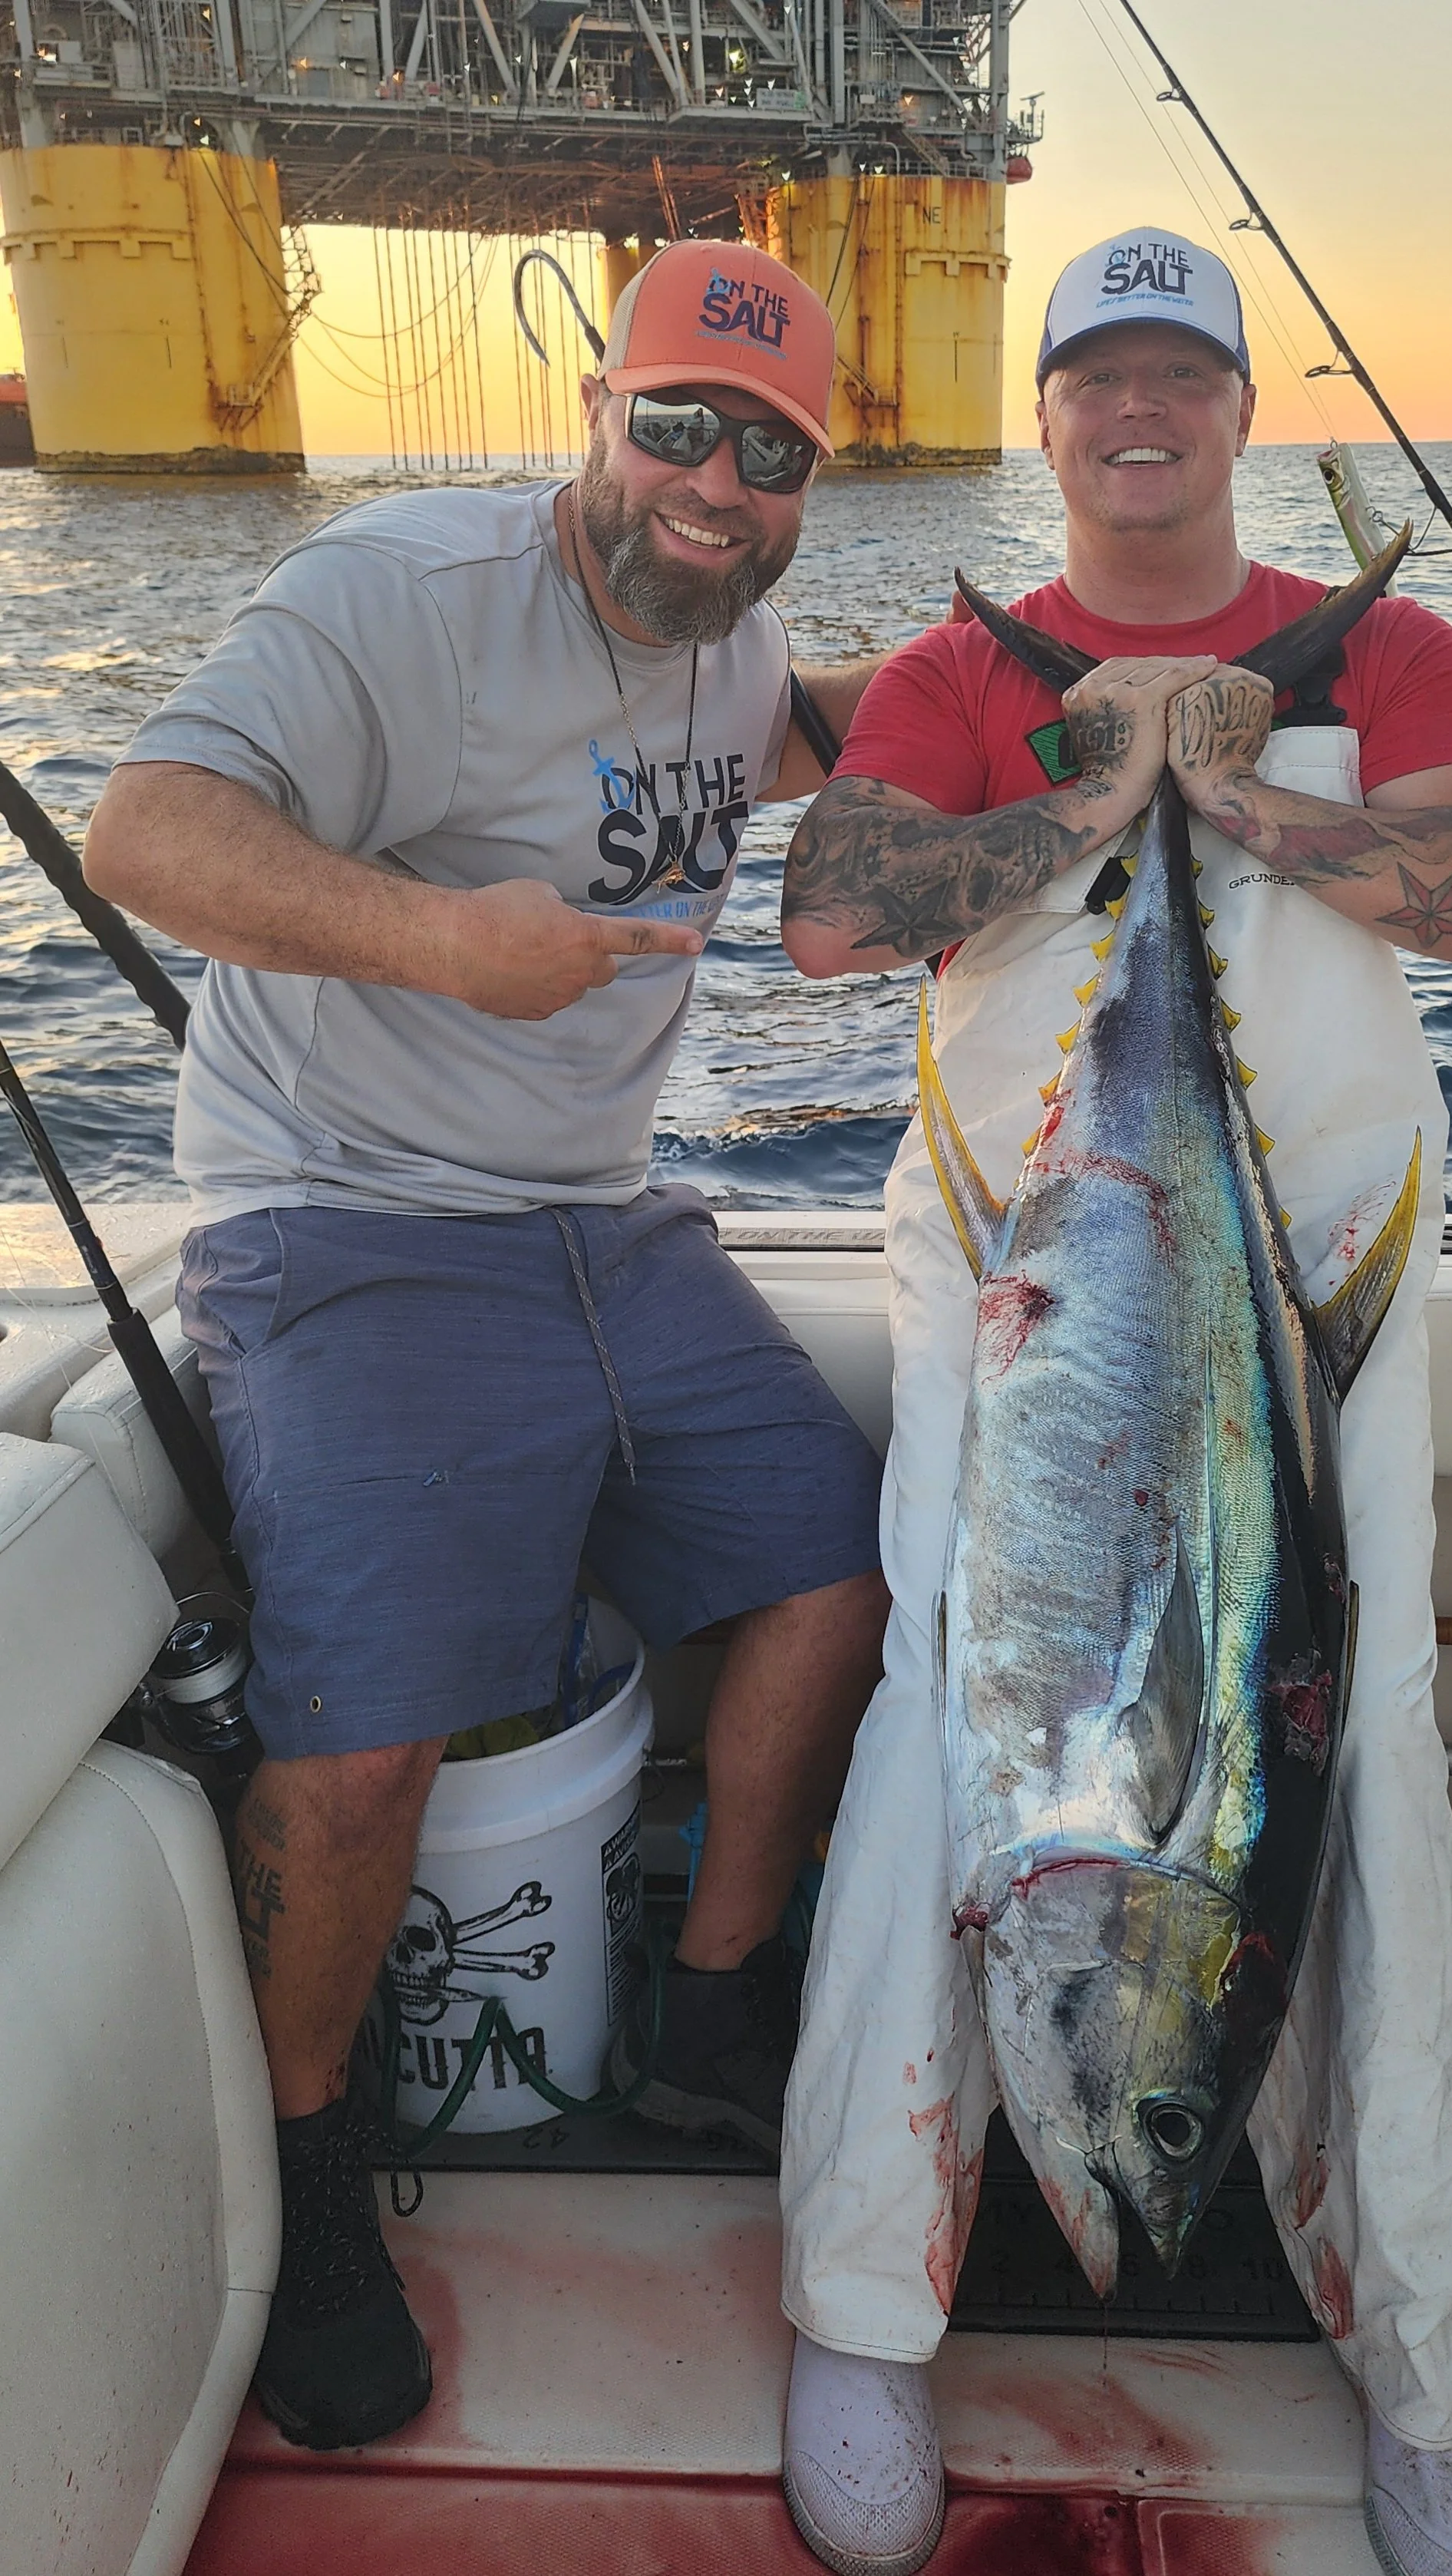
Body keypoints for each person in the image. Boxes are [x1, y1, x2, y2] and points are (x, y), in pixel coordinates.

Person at [774, 229, 1452, 2576]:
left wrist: (1260, 812)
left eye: (1183, 379)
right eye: (1099, 379)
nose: (1142, 415)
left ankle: (1428, 2366)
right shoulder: (966, 665)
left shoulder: (1379, 645)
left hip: (1320, 1299)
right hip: (1028, 1296)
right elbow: (836, 912)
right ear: (1047, 414)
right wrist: (1093, 797)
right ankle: (856, 2303)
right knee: (937, 1740)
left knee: (1377, 1752)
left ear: (1237, 408)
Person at [83, 237, 892, 2456]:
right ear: (597, 414)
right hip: (342, 1223)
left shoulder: (736, 653)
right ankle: (315, 2168)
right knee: (362, 1751)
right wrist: (453, 945)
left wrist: (1080, 710)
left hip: (606, 1230)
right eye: (678, 423)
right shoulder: (404, 598)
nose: (717, 481)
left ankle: (713, 2002)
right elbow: (146, 826)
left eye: (775, 451)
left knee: (838, 1566)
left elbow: (837, 736)